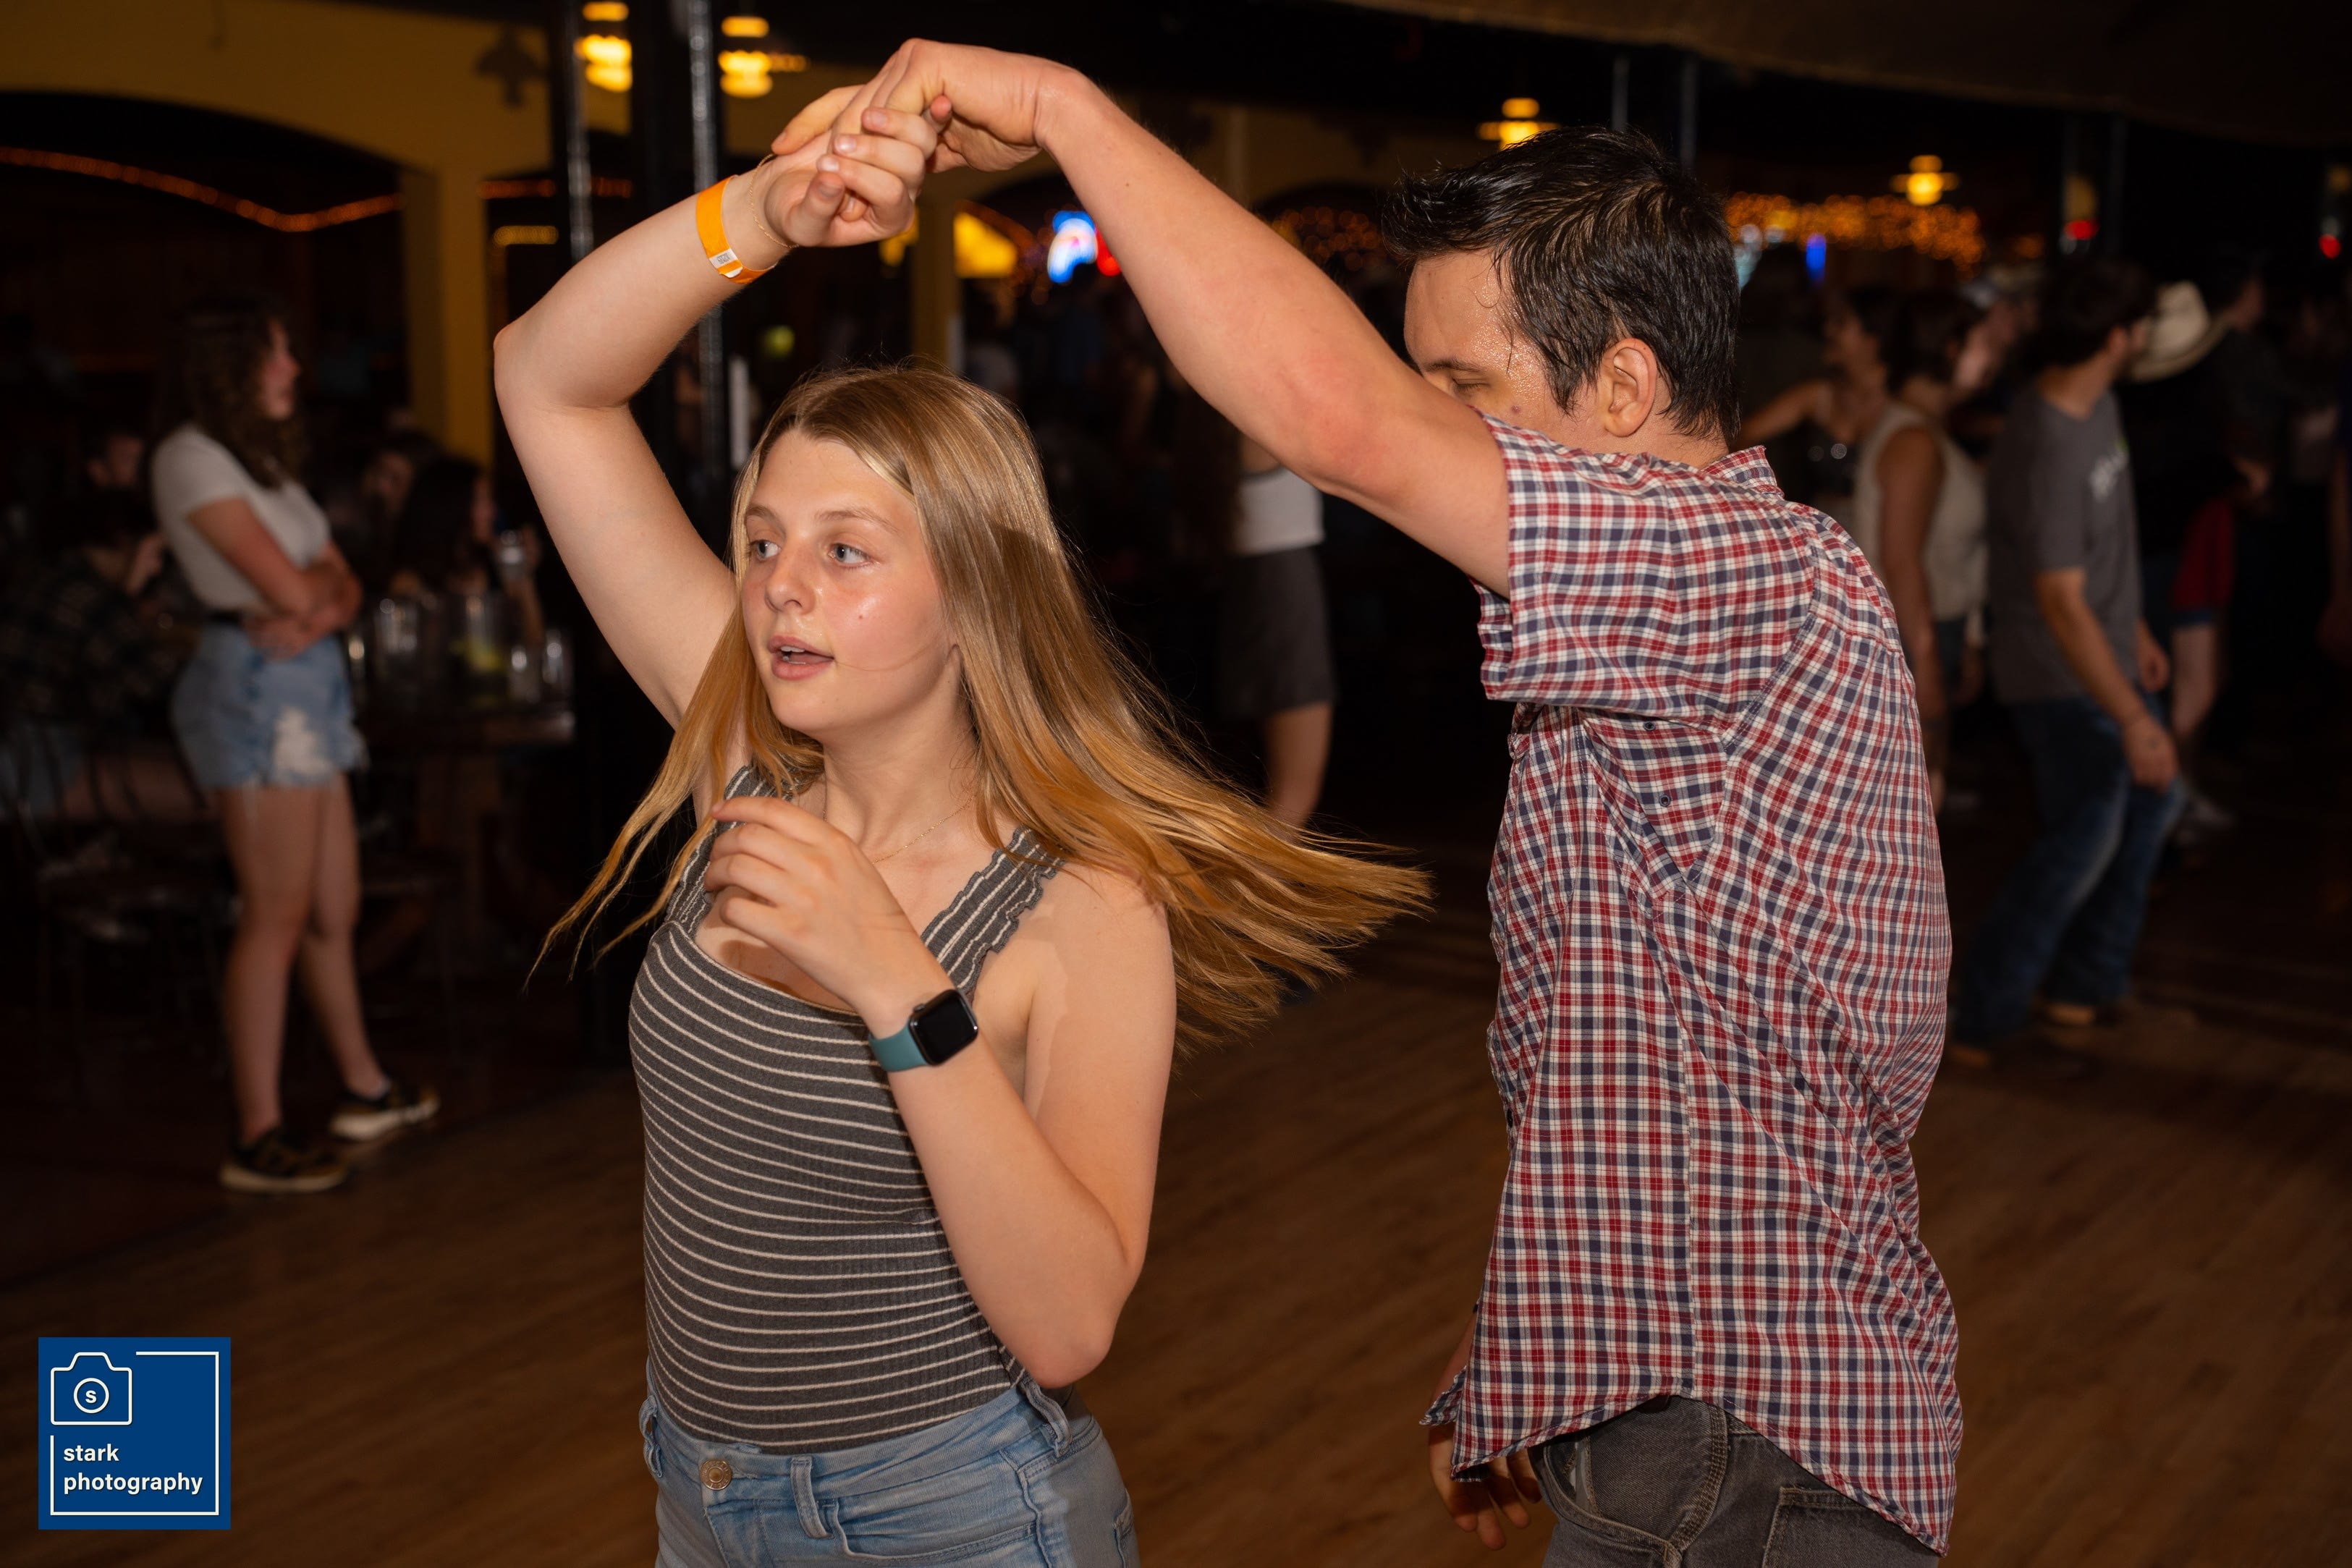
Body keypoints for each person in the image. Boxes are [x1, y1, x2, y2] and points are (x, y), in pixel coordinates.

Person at [811, 44, 1959, 1562]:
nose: (1427, 427)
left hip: (1748, 1456)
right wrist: (1531, 1353)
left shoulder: (1736, 574)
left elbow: (1335, 426)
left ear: (1623, 386)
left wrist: (1068, 115)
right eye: (1421, 385)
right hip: (1707, 1431)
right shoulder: (1685, 622)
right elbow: (1666, 1060)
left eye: (1463, 391)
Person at [493, 107, 1424, 1567]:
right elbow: (545, 380)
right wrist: (764, 211)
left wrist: (895, 980)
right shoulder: (746, 757)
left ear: (971, 598)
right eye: (762, 540)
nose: (779, 586)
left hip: (954, 1518)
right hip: (698, 1494)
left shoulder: (1079, 903)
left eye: (844, 551)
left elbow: (1068, 1323)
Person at [151, 297, 439, 1195]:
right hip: (254, 689)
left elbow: (341, 587)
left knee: (330, 907)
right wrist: (318, 596)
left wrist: (317, 602)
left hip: (305, 684)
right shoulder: (189, 457)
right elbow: (295, 586)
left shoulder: (260, 466)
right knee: (274, 913)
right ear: (230, 361)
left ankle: (363, 1087)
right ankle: (258, 1132)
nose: (292, 369)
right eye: (276, 352)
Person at [1951, 258, 2180, 1064]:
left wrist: (2137, 627)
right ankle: (1986, 1012)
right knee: (2083, 836)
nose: (2146, 339)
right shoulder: (2047, 437)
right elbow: (2058, 598)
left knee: (2145, 808)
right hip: (2057, 668)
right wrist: (2131, 717)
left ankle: (2084, 984)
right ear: (2119, 337)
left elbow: (2103, 542)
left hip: (2101, 650)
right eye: (2142, 325)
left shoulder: (2096, 404)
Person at [1848, 289, 1992, 805]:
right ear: (1951, 349)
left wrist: (1968, 637)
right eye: (1982, 344)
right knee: (1915, 806)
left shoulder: (1921, 429)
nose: (1994, 357)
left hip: (1924, 633)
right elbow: (1900, 561)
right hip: (1910, 639)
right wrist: (1926, 671)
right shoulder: (1915, 441)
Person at [2118, 281, 2249, 844]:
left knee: (2186, 681)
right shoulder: (2165, 407)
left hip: (2176, 551)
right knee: (2183, 683)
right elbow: (2184, 473)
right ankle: (2166, 800)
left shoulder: (2140, 401)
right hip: (2166, 555)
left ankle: (2174, 796)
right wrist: (2239, 478)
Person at [1172, 387, 1336, 826]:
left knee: (1264, 789)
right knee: (1292, 796)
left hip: (1242, 584)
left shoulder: (1208, 416)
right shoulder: (1265, 411)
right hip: (1281, 586)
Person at [0, 490, 201, 821]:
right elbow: (162, 682)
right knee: (219, 791)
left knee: (201, 767)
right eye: (155, 553)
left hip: (27, 749)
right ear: (124, 542)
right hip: (41, 768)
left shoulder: (48, 575)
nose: (155, 569)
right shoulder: (92, 599)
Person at [1736, 284, 1895, 521]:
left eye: (1840, 323)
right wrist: (1770, 491)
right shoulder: (1820, 396)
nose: (1828, 329)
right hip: (1820, 529)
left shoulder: (1900, 405)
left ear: (1873, 339)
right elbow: (1746, 433)